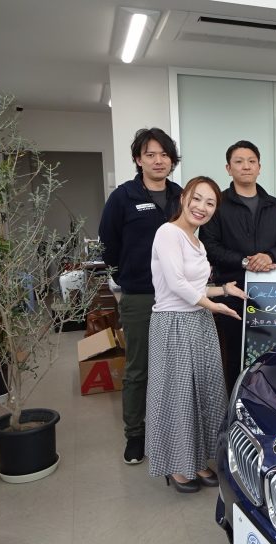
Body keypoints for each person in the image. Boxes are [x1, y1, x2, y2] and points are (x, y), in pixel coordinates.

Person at [146, 176, 246, 493]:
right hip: (173, 323)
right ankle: (177, 466)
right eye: (197, 198)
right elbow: (176, 284)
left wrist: (224, 290)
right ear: (183, 198)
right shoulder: (168, 233)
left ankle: (198, 459)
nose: (202, 207)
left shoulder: (198, 243)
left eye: (210, 203)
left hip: (199, 321)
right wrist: (214, 306)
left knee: (204, 392)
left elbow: (196, 288)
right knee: (178, 396)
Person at [98, 127, 182, 465]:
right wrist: (125, 276)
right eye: (150, 154)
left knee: (175, 367)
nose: (158, 160)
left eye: (164, 154)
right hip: (140, 295)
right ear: (138, 159)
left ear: (171, 160)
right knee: (138, 369)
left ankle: (173, 428)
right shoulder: (124, 196)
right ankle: (135, 434)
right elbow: (108, 244)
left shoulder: (181, 196)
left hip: (179, 296)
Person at [199, 140, 276, 393]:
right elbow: (209, 245)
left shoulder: (274, 204)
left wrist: (270, 256)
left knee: (273, 354)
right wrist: (244, 261)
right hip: (233, 292)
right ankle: (236, 405)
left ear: (259, 167)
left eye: (252, 161)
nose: (246, 166)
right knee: (235, 355)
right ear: (228, 168)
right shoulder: (218, 204)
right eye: (239, 162)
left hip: (273, 295)